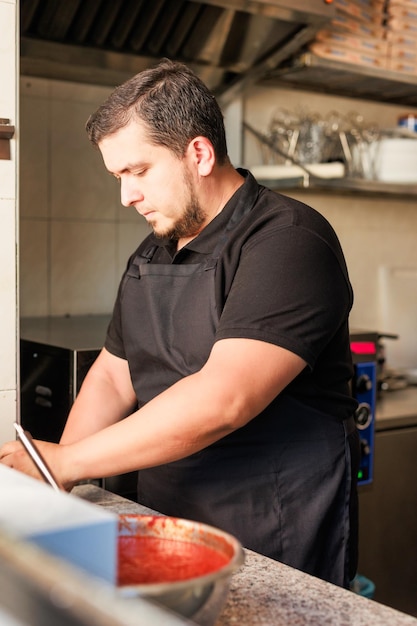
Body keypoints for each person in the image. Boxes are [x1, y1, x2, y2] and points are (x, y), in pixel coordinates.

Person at [0, 59, 359, 588]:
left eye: (138, 171)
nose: (126, 196)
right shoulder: (154, 252)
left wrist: (66, 463)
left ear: (199, 152)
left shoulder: (288, 240)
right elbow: (112, 375)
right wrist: (57, 488)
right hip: (169, 524)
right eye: (118, 177)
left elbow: (222, 400)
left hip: (273, 531)